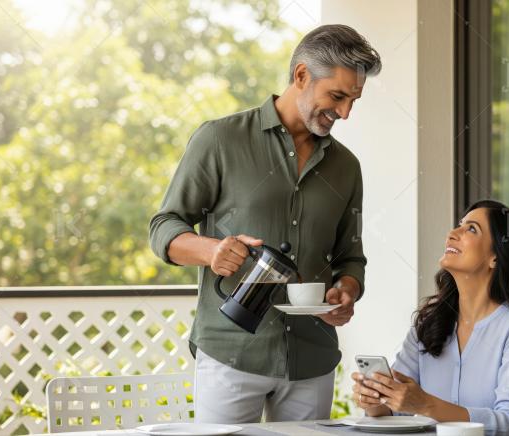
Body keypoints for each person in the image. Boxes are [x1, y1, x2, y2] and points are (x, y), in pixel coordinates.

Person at [148, 24, 381, 423]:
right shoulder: (220, 140)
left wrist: (347, 290)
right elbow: (164, 226)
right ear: (302, 75)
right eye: (337, 96)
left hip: (313, 356)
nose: (344, 113)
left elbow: (350, 255)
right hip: (232, 351)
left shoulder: (347, 167)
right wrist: (212, 251)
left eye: (353, 100)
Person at [351, 200, 509, 435]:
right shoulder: (430, 322)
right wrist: (377, 401)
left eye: (471, 229)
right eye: (459, 225)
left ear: (496, 258)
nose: (452, 233)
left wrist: (425, 404)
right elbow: (401, 407)